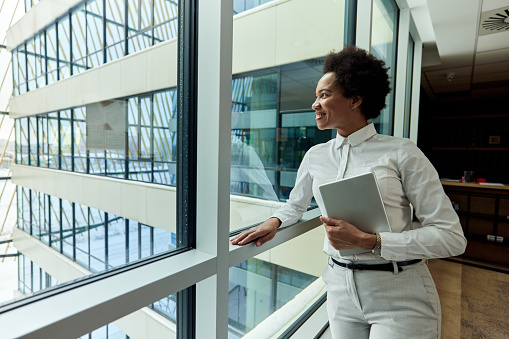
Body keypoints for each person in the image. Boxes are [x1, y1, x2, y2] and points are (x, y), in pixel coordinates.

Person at [230, 45, 467, 339]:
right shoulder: (316, 155)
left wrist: (372, 241)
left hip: (399, 291)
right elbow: (295, 206)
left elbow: (452, 238)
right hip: (339, 289)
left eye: (324, 95)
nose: (315, 103)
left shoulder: (402, 153)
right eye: (316, 95)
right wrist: (274, 222)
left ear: (355, 99)